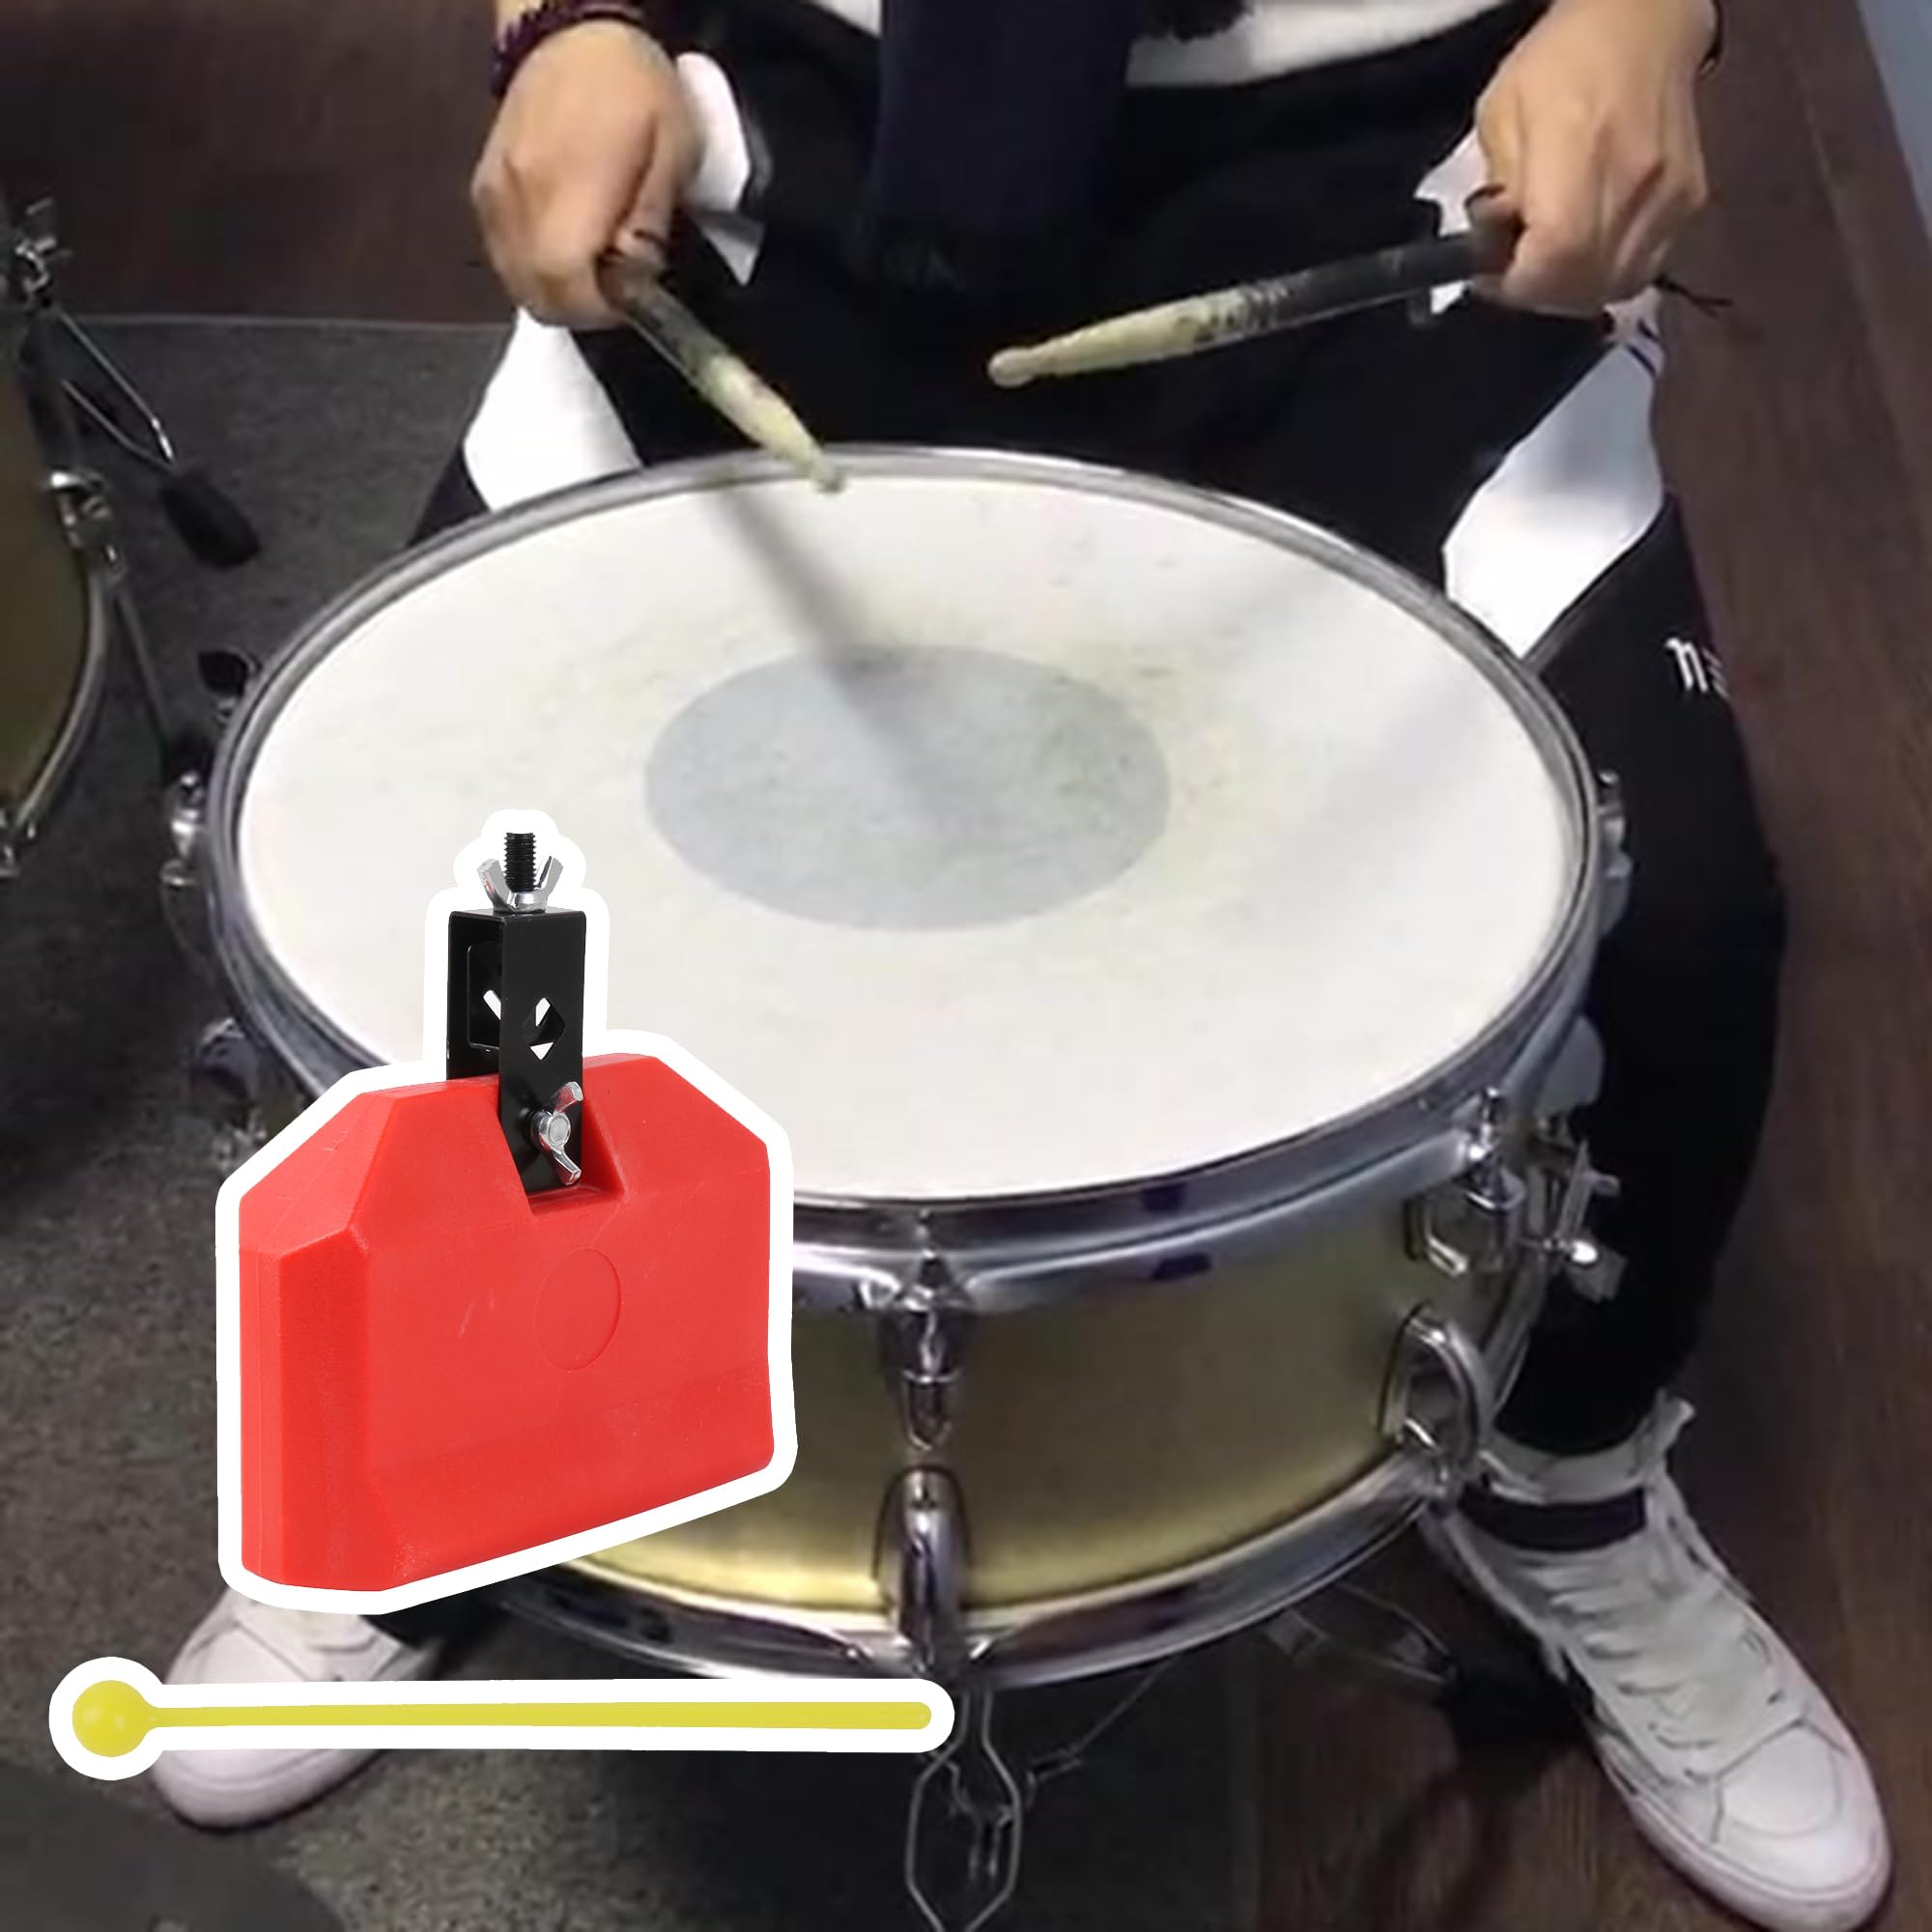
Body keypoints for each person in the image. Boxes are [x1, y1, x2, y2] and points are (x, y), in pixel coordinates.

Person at [153, 1, 1892, 1926]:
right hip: (802, 160)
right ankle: (463, 1404)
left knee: (1683, 916)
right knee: (456, 835)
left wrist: (1645, 15)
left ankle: (1566, 1478)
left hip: (1396, 202)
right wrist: (570, 30)